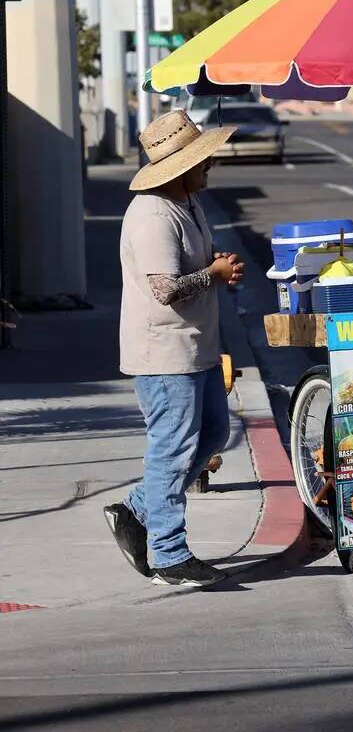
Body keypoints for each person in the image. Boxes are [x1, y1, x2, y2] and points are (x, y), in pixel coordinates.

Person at [103, 109, 243, 588]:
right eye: (203, 161)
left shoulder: (187, 203)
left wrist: (217, 266)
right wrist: (214, 274)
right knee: (173, 450)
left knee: (210, 437)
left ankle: (137, 510)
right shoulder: (152, 215)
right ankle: (169, 554)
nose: (209, 167)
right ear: (181, 167)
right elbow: (164, 288)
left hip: (195, 349)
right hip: (164, 354)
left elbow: (191, 271)